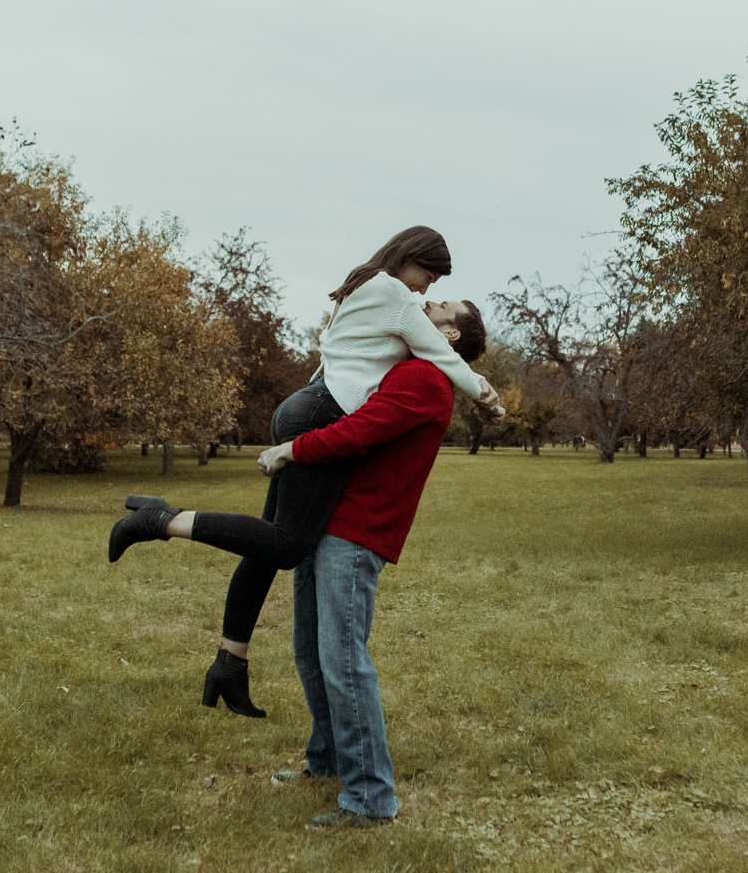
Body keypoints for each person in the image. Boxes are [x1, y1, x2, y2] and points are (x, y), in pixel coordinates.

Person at [114, 307, 487, 828]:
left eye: (441, 309)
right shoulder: (407, 367)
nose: (424, 307)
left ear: (449, 334)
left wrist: (291, 448)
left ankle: (370, 798)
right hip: (327, 523)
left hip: (356, 532)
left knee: (343, 661)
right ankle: (327, 760)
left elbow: (358, 432)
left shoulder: (424, 377)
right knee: (311, 650)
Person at [110, 227, 502, 718]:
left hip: (308, 403)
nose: (427, 292)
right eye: (429, 278)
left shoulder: (367, 285)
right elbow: (442, 355)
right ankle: (162, 519)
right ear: (411, 258)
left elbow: (358, 352)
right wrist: (485, 395)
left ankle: (230, 663)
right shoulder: (396, 295)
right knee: (287, 544)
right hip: (321, 413)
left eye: (436, 293)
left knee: (267, 543)